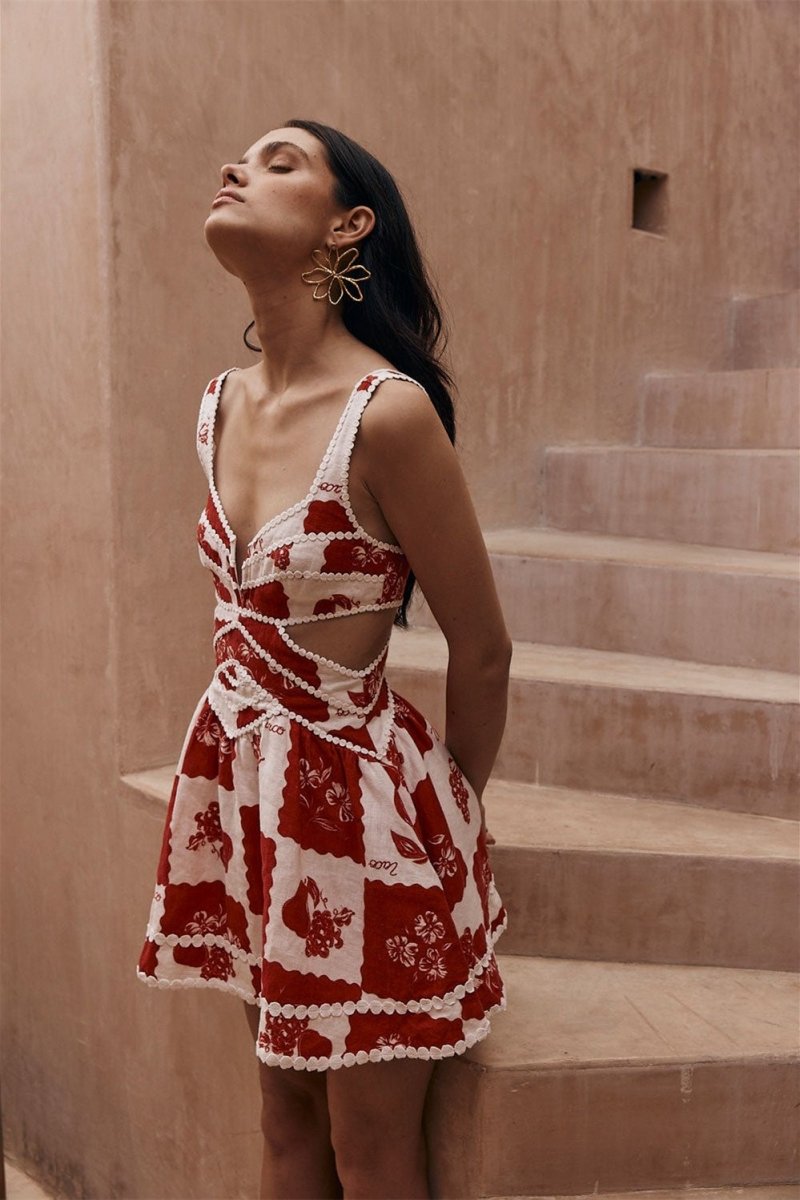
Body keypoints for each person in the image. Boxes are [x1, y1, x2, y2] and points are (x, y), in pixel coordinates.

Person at [136, 118, 512, 1200]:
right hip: (248, 802)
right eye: (243, 157)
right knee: (282, 1117)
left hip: (363, 822)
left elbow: (483, 648)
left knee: (370, 1147)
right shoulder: (218, 403)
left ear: (349, 226)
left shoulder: (387, 416)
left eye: (280, 162)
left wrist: (449, 812)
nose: (236, 169)